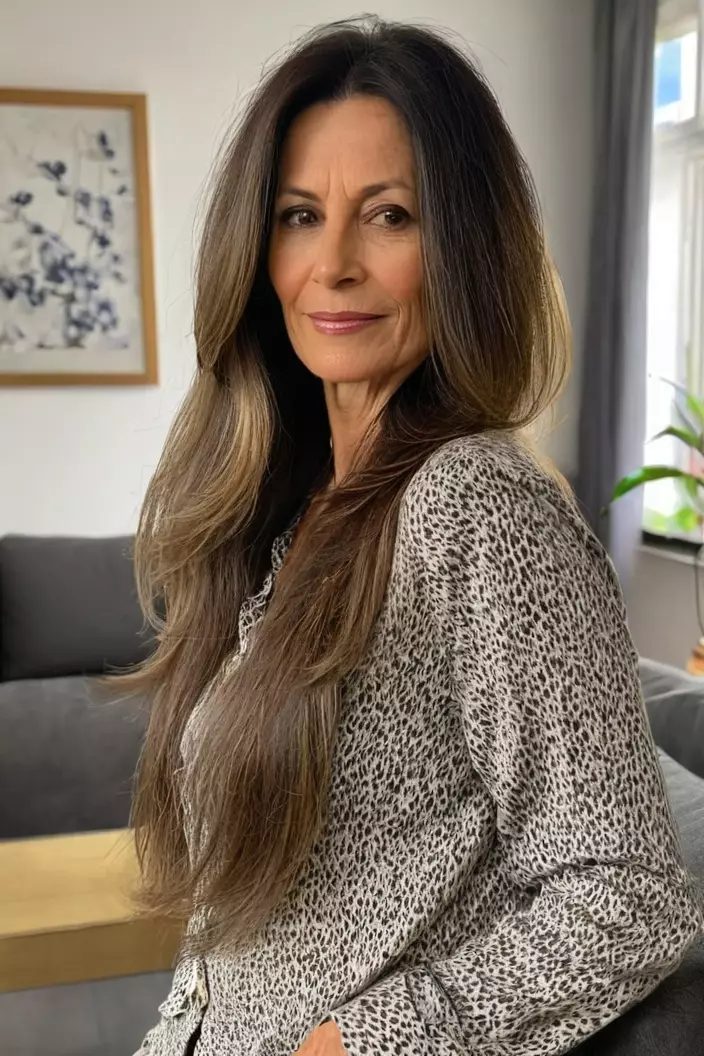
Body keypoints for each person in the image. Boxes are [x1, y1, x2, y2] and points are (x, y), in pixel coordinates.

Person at [128, 16, 702, 1056]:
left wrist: (358, 1042)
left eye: (388, 215)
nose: (332, 264)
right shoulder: (296, 504)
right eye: (299, 215)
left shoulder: (479, 508)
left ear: (463, 244)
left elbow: (625, 896)